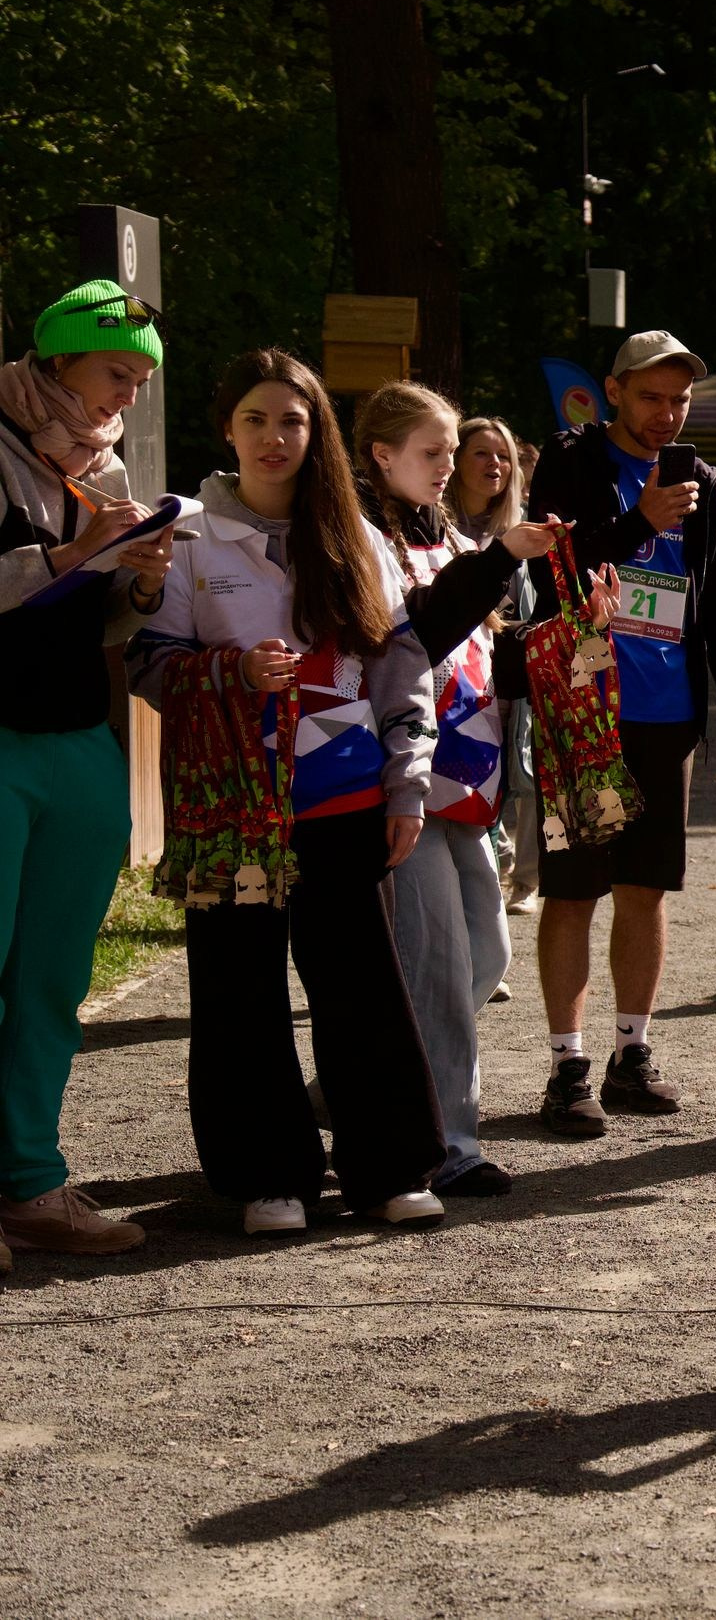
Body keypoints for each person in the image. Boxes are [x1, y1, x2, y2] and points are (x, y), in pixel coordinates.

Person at [129, 348, 447, 1235]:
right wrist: (231, 672)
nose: (276, 438)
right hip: (230, 804)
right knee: (238, 986)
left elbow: (401, 665)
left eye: (294, 420)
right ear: (226, 428)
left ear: (319, 431)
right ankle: (268, 1175)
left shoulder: (359, 535)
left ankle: (389, 1166)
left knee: (360, 982)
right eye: (257, 420)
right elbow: (150, 666)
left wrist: (406, 785)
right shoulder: (187, 535)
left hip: (342, 800)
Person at [355, 383, 587, 1197]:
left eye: (452, 450)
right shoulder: (362, 538)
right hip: (402, 781)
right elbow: (411, 635)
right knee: (439, 967)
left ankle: (352, 1093)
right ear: (382, 455)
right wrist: (503, 557)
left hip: (470, 777)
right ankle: (448, 1143)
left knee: (484, 956)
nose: (450, 464)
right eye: (434, 450)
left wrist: (574, 635)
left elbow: (487, 657)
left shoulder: (449, 534)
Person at [524, 331, 716, 1132]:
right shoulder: (569, 463)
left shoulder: (707, 485)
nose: (666, 414)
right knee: (573, 888)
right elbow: (546, 569)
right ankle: (567, 1066)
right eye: (652, 396)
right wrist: (637, 522)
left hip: (666, 719)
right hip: (585, 710)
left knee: (645, 890)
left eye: (680, 399)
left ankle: (631, 1053)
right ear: (614, 392)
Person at [0, 280, 174, 1267]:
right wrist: (74, 551)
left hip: (77, 740)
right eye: (118, 372)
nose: (129, 396)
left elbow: (98, 621)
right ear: (59, 358)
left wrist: (137, 581)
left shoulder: (101, 469)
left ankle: (27, 1179)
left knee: (53, 979)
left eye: (142, 380)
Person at [450, 416, 543, 919]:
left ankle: (520, 882)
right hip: (451, 689)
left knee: (517, 783)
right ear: (456, 459)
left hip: (507, 682)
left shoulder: (522, 527)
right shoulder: (432, 527)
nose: (495, 464)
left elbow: (534, 609)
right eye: (482, 453)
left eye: (503, 455)